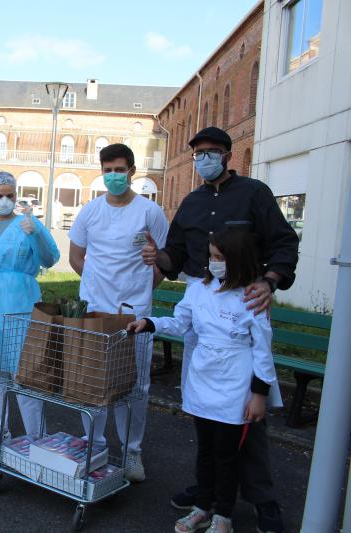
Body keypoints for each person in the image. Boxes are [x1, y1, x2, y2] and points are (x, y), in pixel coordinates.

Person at [144, 127, 298, 533]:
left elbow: (284, 243)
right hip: (200, 306)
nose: (204, 159)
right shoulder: (191, 202)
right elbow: (174, 256)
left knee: (245, 413)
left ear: (229, 155)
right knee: (207, 413)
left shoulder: (254, 194)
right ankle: (209, 491)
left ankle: (262, 498)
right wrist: (156, 256)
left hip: (243, 303)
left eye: (212, 152)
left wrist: (270, 280)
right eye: (198, 153)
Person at [128, 228, 280, 533]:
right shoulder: (198, 289)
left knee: (228, 455)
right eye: (211, 256)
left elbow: (263, 352)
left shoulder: (252, 296)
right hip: (203, 378)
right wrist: (150, 323)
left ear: (238, 260)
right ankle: (203, 506)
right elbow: (180, 322)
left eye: (220, 258)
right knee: (206, 451)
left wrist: (259, 395)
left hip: (235, 385)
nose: (214, 262)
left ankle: (224, 514)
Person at [67, 143, 168, 482]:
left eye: (119, 169)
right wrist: (97, 285)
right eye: (107, 170)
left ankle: (131, 452)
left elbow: (163, 262)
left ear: (132, 171)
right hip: (95, 312)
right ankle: (94, 445)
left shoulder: (149, 212)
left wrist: (141, 290)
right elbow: (76, 257)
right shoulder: (90, 211)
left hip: (134, 314)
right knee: (91, 381)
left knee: (134, 386)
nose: (113, 176)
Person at [0, 171, 60, 448]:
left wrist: (36, 235)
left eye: (10, 195)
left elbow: (51, 258)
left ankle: (37, 435)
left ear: (17, 196)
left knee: (26, 372)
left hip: (21, 306)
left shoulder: (28, 225)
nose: (5, 200)